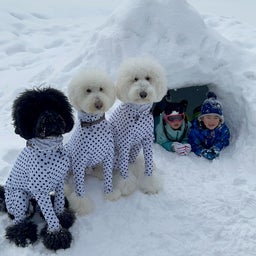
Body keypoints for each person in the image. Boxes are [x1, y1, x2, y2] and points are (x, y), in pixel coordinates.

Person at [188, 91, 230, 160]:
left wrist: (216, 148)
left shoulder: (222, 129)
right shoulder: (195, 129)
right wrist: (202, 151)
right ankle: (197, 112)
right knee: (196, 112)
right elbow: (192, 143)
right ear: (202, 118)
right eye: (208, 117)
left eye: (215, 118)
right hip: (197, 117)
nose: (211, 121)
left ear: (220, 120)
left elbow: (224, 140)